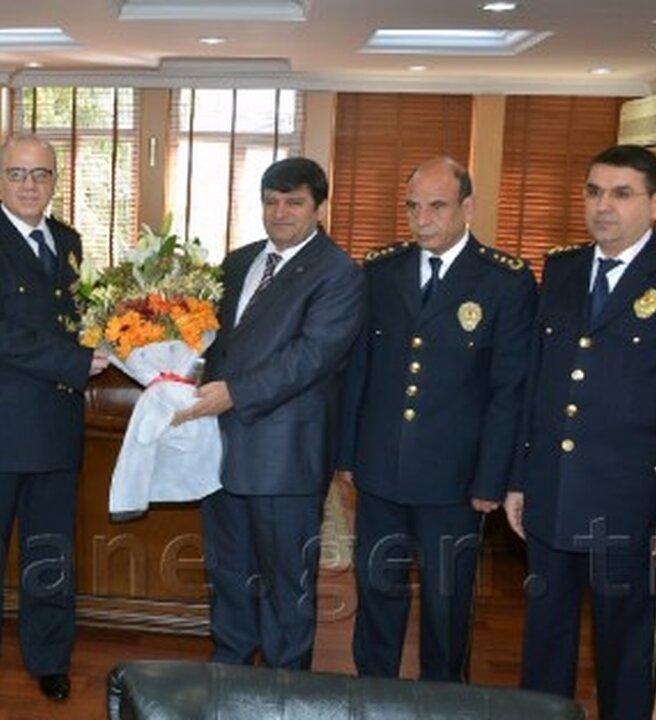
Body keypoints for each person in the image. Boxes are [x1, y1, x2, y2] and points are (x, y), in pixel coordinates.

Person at [336, 156, 535, 682]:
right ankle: (374, 697)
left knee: (447, 606)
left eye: (437, 206)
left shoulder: (505, 281)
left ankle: (443, 701)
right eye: (413, 207)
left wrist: (492, 479)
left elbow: (509, 391)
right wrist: (348, 454)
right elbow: (360, 370)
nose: (421, 219)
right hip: (381, 468)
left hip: (456, 480)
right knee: (377, 594)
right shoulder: (382, 270)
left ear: (468, 207)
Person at [173, 157, 363, 669]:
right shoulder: (239, 262)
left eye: (294, 202)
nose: (280, 213)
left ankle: (285, 688)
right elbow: (216, 342)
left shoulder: (339, 272)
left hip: (285, 455)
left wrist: (233, 393)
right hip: (221, 447)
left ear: (320, 208)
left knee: (286, 583)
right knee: (228, 573)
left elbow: (311, 357)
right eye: (271, 201)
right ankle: (229, 672)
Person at [0, 134, 109, 703]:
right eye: (17, 174)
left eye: (41, 174)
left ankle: (49, 656)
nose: (30, 185)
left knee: (51, 551)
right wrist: (78, 362)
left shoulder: (69, 241)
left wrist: (123, 336)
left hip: (56, 424)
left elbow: (77, 318)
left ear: (55, 180)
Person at [505, 144, 656, 720]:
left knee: (624, 649)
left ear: (652, 203)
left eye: (621, 194)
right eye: (594, 192)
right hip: (553, 489)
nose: (603, 206)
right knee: (545, 639)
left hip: (629, 500)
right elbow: (537, 382)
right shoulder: (563, 269)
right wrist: (519, 477)